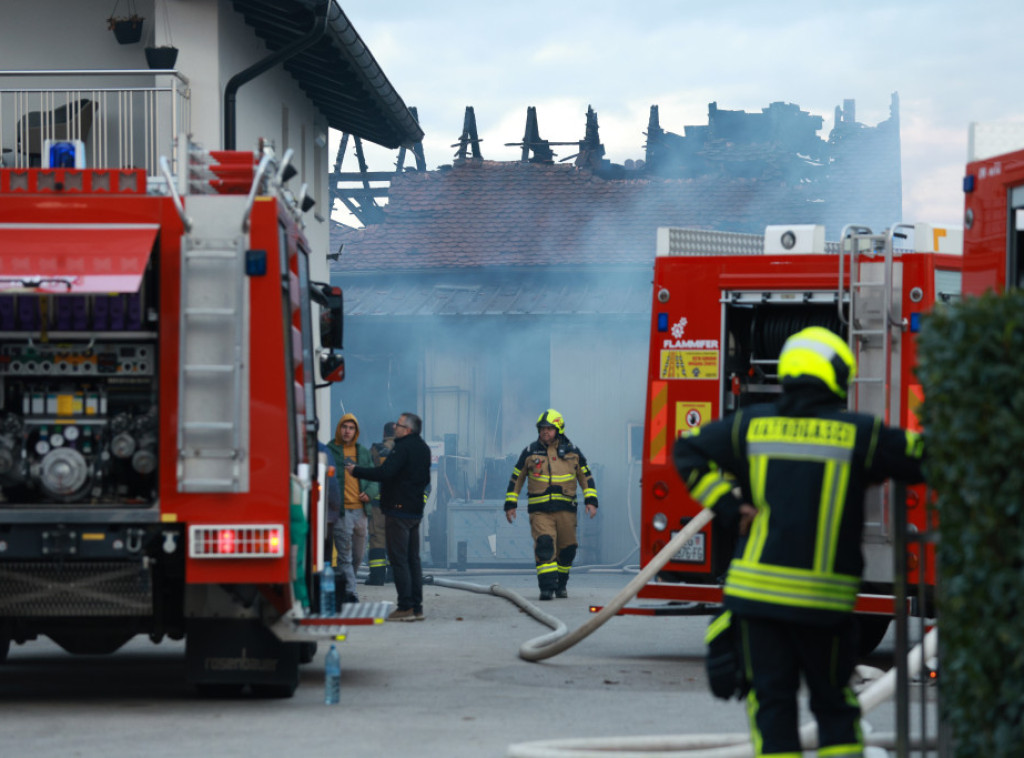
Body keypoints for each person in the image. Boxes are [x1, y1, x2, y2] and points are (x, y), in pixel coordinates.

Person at [673, 326, 925, 758]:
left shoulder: (751, 426)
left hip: (757, 603)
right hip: (821, 606)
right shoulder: (858, 434)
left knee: (772, 706)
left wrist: (729, 505)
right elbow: (922, 456)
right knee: (834, 708)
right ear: (837, 376)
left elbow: (687, 450)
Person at [505, 409, 598, 601]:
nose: (545, 432)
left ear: (559, 429)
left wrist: (591, 500)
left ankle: (561, 584)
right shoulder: (530, 452)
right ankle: (546, 588)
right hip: (540, 512)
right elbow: (516, 478)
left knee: (568, 549)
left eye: (549, 428)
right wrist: (510, 503)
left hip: (567, 511)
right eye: (542, 428)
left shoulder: (573, 452)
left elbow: (586, 477)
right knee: (545, 545)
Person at [347, 412, 431, 622]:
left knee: (398, 558)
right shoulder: (423, 448)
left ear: (409, 430)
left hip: (398, 511)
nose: (397, 429)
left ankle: (405, 607)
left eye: (400, 426)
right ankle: (417, 607)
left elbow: (385, 473)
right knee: (413, 559)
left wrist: (356, 471)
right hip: (414, 512)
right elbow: (425, 480)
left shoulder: (401, 448)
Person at [327, 414, 378, 604]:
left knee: (358, 555)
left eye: (351, 428)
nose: (347, 431)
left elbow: (373, 478)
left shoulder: (362, 453)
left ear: (356, 432)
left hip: (361, 512)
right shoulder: (331, 451)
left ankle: (347, 585)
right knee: (344, 555)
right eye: (344, 427)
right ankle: (350, 593)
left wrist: (369, 493)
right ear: (339, 429)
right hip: (341, 512)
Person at [364, 422, 396, 585]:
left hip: (378, 504)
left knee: (377, 538)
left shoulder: (375, 450)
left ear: (384, 433)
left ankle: (377, 577)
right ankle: (395, 575)